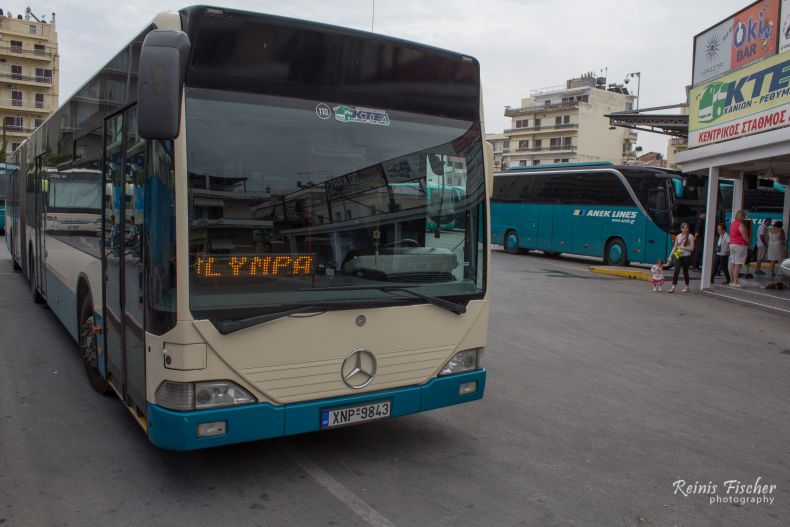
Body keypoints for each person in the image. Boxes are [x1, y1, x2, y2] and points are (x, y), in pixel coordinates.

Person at [668, 222, 694, 293]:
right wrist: (670, 256)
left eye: (686, 228)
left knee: (685, 272)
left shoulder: (691, 236)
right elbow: (675, 247)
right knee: (676, 271)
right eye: (684, 228)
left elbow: (692, 248)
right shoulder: (678, 236)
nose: (685, 229)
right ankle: (673, 287)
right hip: (679, 256)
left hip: (686, 256)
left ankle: (687, 286)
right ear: (681, 229)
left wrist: (683, 248)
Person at [729, 210, 750, 287]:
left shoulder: (733, 224)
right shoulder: (740, 224)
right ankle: (735, 282)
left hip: (732, 244)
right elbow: (744, 236)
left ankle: (731, 280)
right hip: (740, 245)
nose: (744, 218)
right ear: (741, 216)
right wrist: (748, 241)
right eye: (744, 216)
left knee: (732, 263)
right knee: (738, 263)